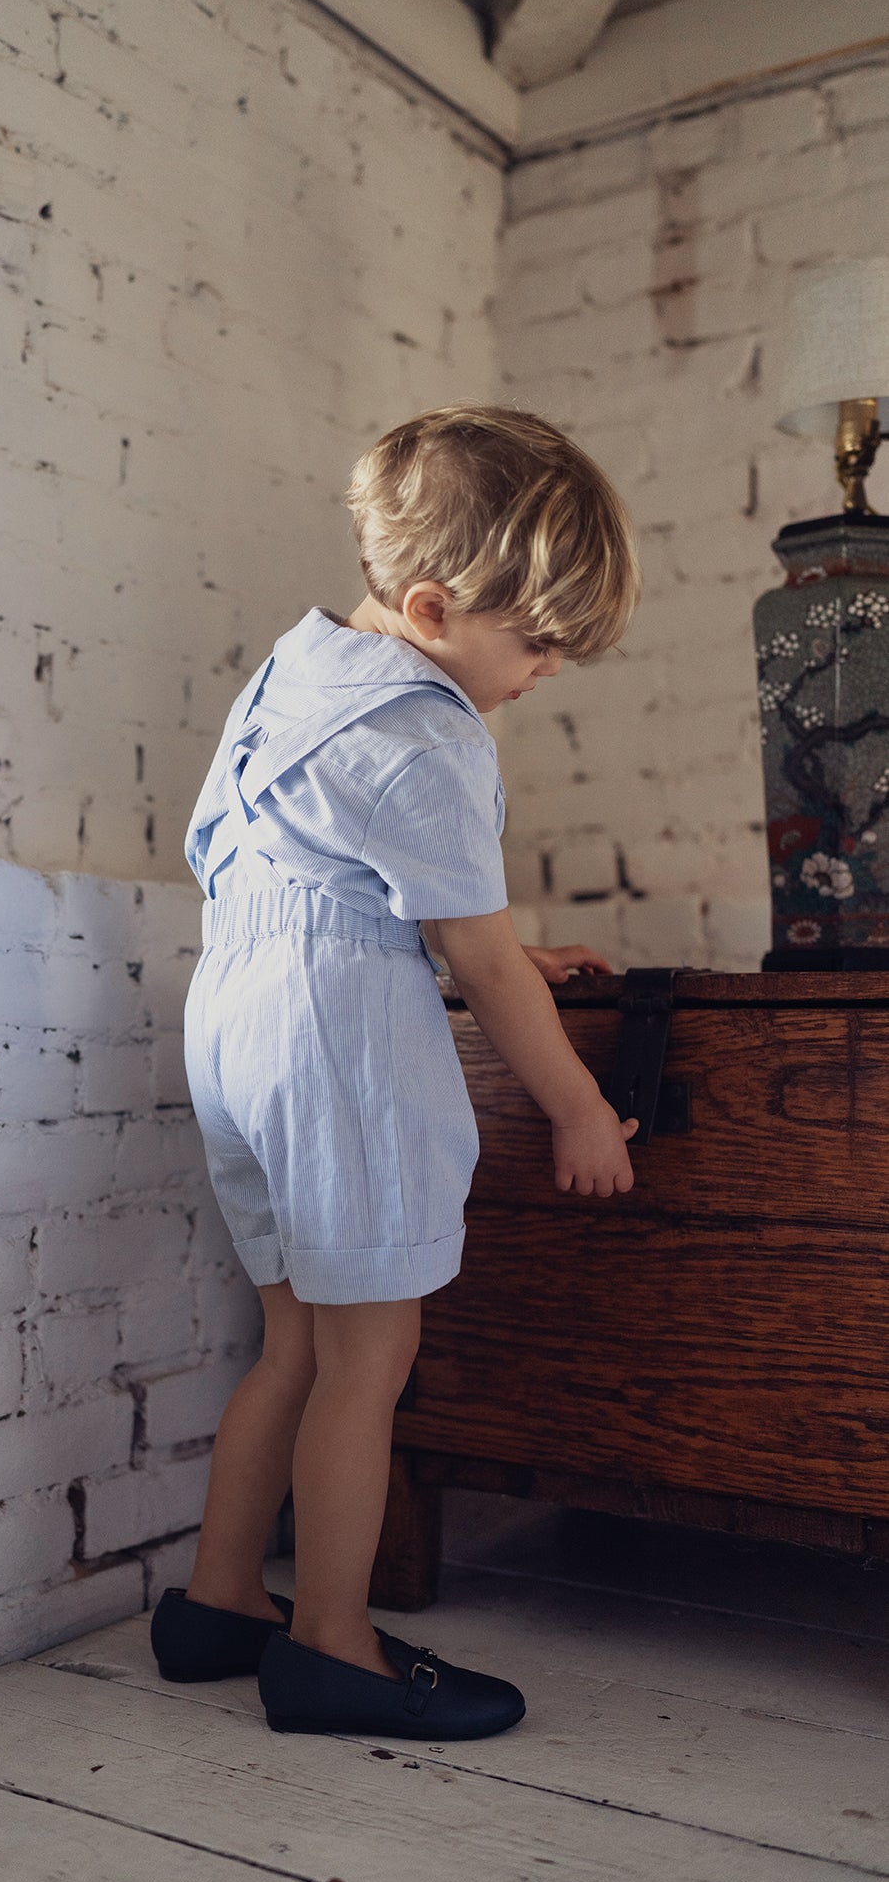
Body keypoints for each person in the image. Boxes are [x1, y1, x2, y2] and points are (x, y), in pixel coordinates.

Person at [150, 404, 642, 1741]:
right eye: (533, 642)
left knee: (295, 1340)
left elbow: (321, 870)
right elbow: (470, 968)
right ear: (431, 606)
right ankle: (331, 1641)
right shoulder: (431, 734)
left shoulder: (297, 669)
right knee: (374, 1358)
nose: (542, 671)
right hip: (337, 1040)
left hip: (236, 1010)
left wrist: (489, 942)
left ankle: (213, 1602)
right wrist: (580, 1107)